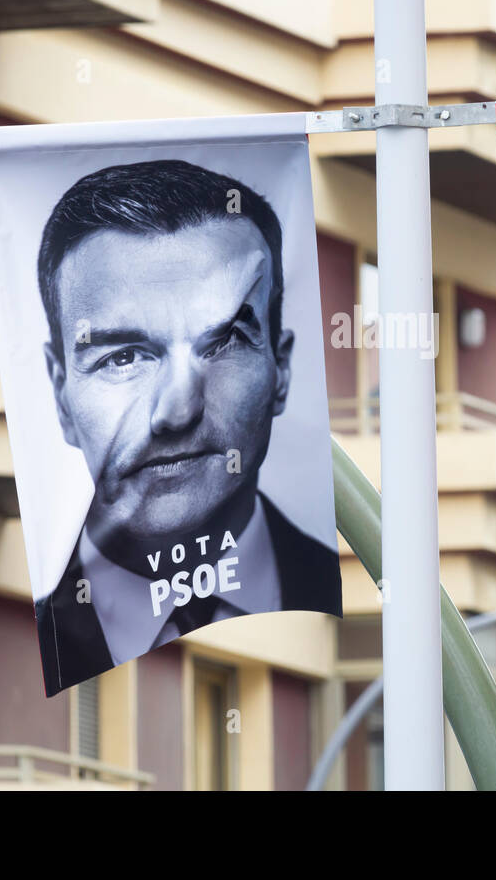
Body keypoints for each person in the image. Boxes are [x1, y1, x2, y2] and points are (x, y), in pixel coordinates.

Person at [32, 159, 341, 696]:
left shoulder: (382, 607)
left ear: (281, 368)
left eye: (220, 343)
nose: (177, 412)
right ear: (60, 390)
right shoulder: (31, 630)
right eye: (123, 356)